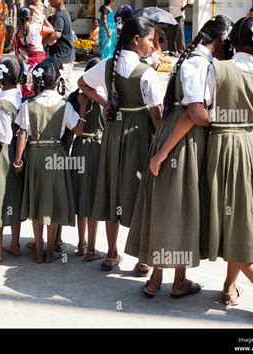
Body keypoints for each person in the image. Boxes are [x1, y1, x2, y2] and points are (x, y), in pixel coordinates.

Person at [126, 15, 232, 298]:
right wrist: (220, 124)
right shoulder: (199, 63)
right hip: (183, 137)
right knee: (182, 206)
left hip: (171, 130)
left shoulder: (193, 59)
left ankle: (156, 280)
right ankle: (177, 282)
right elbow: (195, 112)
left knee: (167, 204)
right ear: (221, 39)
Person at [206, 17, 253, 319]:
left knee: (228, 220)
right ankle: (229, 285)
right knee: (241, 219)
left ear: (231, 40)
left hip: (223, 146)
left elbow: (202, 110)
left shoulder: (217, 69)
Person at [78, 17, 163, 272]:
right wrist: (162, 146)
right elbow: (156, 113)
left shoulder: (106, 65)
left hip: (113, 132)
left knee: (111, 189)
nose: (152, 45)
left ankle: (111, 254)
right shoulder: (146, 72)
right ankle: (143, 258)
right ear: (136, 40)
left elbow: (82, 84)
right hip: (138, 134)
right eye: (150, 40)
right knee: (141, 192)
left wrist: (106, 104)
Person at [13, 58, 87, 263]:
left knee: (37, 203)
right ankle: (49, 252)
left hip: (35, 155)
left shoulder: (28, 105)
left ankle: (38, 249)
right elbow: (78, 130)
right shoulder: (65, 106)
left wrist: (18, 162)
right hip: (57, 156)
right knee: (52, 205)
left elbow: (22, 134)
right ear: (58, 82)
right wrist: (82, 108)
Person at [0, 55, 24, 262]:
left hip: (2, 156)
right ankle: (15, 243)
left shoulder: (1, 105)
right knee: (14, 197)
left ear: (0, 77)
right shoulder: (19, 97)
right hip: (17, 155)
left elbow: (4, 137)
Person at [68, 58, 106, 261]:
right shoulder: (103, 99)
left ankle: (81, 244)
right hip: (97, 150)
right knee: (92, 200)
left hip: (79, 148)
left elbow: (70, 130)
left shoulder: (75, 98)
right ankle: (91, 248)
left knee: (81, 197)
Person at [14, 6, 54, 98]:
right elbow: (52, 29)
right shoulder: (36, 27)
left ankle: (27, 98)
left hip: (26, 62)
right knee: (39, 77)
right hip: (38, 59)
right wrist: (44, 19)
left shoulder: (18, 32)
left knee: (28, 81)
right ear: (31, 17)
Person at [45, 0, 75, 95]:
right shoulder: (63, 13)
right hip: (68, 55)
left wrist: (44, 42)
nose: (50, 0)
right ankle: (72, 107)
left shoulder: (60, 15)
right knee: (68, 88)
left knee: (58, 88)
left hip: (61, 57)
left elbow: (57, 34)